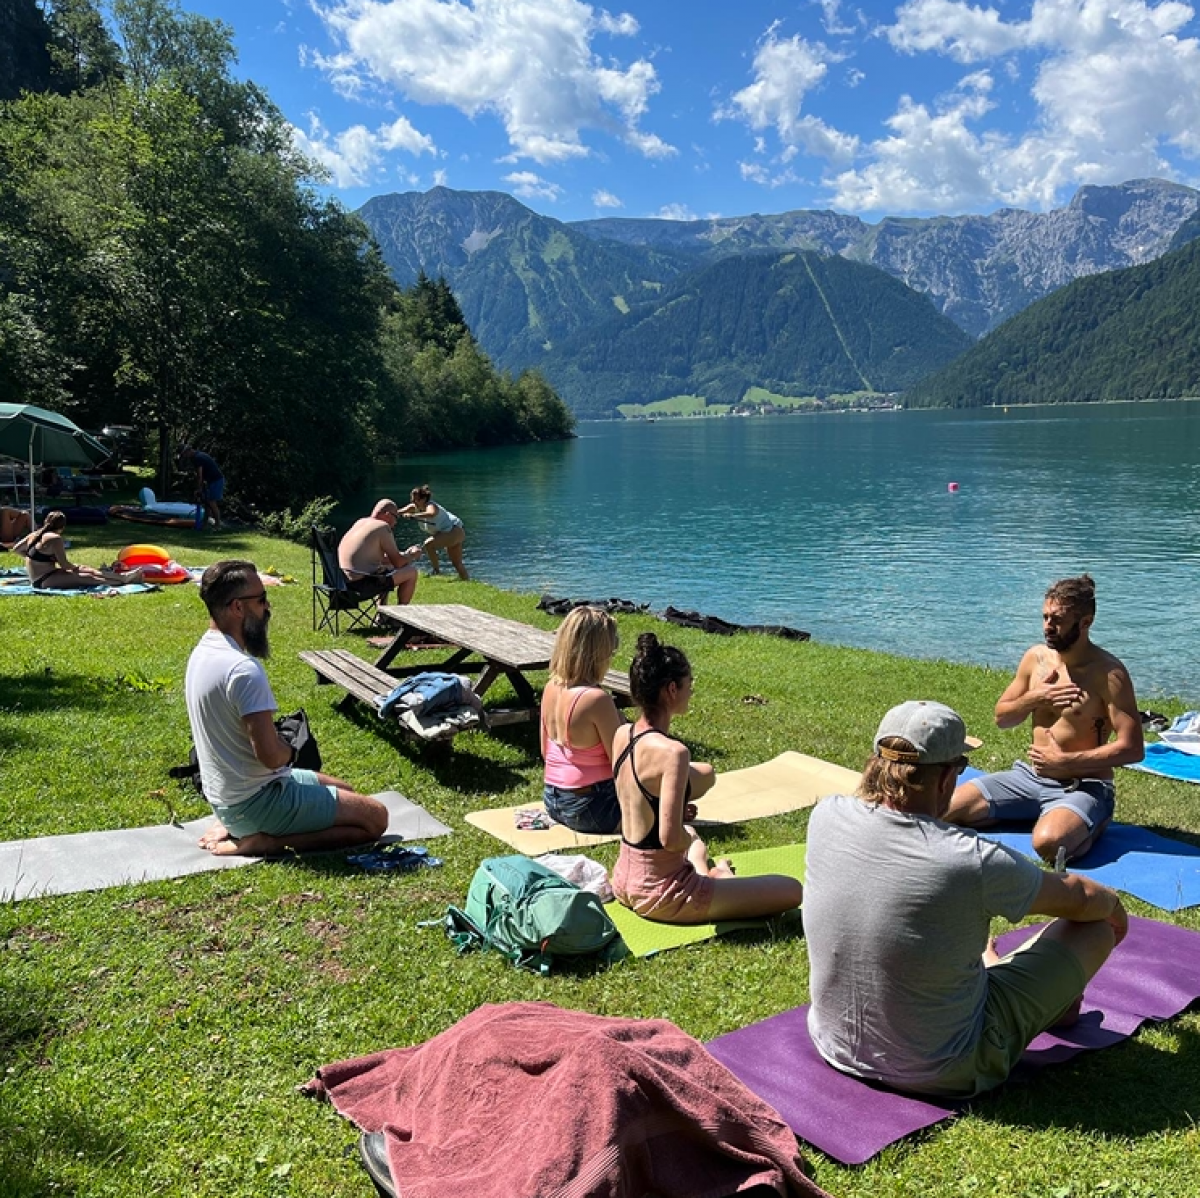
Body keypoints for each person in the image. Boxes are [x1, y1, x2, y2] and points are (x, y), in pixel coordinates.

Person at [805, 699, 1127, 1099]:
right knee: (1094, 929)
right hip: (949, 1067)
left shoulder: (826, 815)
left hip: (835, 1043)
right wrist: (1114, 909)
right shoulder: (970, 859)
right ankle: (1037, 995)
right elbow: (1080, 899)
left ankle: (1005, 975)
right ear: (944, 780)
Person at [185, 559, 388, 856]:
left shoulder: (203, 651)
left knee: (347, 791)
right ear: (237, 607)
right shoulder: (242, 670)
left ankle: (236, 824)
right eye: (262, 600)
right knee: (376, 818)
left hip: (231, 797)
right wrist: (290, 750)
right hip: (256, 802)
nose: (268, 608)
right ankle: (265, 841)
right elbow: (270, 756)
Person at [945, 575, 1143, 864]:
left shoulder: (1108, 674)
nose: (1048, 626)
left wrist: (1067, 763)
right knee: (941, 809)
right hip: (1029, 777)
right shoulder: (1036, 659)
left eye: (1058, 620)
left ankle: (1092, 817)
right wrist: (1038, 697)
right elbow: (1002, 718)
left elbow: (1133, 748)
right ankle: (1035, 813)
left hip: (1084, 784)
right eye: (1045, 617)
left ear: (1085, 622)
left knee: (1050, 844)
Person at [609, 632, 803, 924]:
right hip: (663, 895)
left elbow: (635, 803)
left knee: (696, 842)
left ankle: (708, 873)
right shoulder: (674, 753)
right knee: (792, 889)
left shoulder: (622, 734)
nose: (692, 691)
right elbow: (671, 840)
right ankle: (720, 877)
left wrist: (676, 818)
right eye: (689, 684)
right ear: (672, 689)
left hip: (624, 880)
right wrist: (680, 830)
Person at [541, 607, 626, 833]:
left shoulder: (551, 687)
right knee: (688, 781)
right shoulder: (596, 699)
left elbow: (545, 750)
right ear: (599, 652)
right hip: (593, 807)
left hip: (553, 799)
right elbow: (622, 765)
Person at [12, 510, 143, 589]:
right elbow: (64, 565)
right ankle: (122, 580)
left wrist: (33, 558)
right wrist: (75, 568)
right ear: (62, 526)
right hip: (43, 580)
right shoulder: (55, 539)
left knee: (86, 570)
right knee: (87, 577)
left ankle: (123, 577)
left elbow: (16, 549)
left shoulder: (34, 534)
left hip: (44, 575)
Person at [337, 499, 422, 606]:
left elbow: (379, 559)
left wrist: (405, 554)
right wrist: (412, 555)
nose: (395, 523)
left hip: (340, 584)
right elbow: (399, 563)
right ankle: (400, 617)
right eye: (396, 517)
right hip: (359, 587)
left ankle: (382, 614)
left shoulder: (360, 522)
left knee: (386, 569)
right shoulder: (382, 527)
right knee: (411, 572)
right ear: (387, 514)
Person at [398, 484, 468, 579]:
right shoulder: (413, 507)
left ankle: (436, 571)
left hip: (454, 531)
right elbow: (398, 512)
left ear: (423, 499)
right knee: (457, 563)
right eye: (412, 499)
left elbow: (431, 514)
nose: (414, 502)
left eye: (416, 500)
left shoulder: (431, 505)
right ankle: (465, 580)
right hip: (450, 532)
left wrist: (413, 516)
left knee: (428, 544)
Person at [180, 445, 225, 529]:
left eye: (184, 454)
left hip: (216, 480)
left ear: (188, 451)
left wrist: (199, 489)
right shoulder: (196, 456)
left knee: (211, 502)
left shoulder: (198, 458)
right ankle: (204, 524)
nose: (185, 456)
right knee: (207, 503)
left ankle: (217, 525)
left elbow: (199, 475)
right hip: (210, 481)